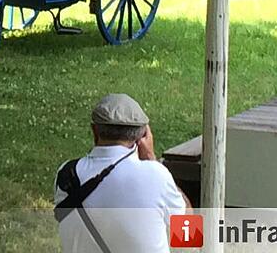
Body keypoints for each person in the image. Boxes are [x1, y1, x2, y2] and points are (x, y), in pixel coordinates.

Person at [54, 93, 189, 253]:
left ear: (94, 130)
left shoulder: (66, 173)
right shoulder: (156, 175)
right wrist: (152, 159)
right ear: (142, 135)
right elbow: (190, 237)